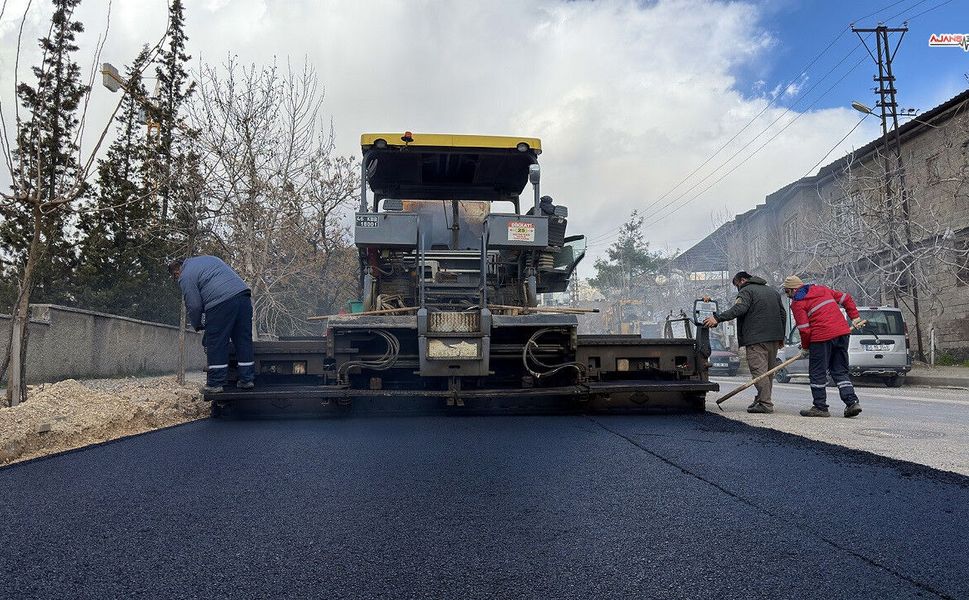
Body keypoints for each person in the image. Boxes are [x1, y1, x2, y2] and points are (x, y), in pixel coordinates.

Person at [168, 256, 255, 394]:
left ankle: (215, 383)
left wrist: (197, 324)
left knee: (216, 341)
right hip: (243, 297)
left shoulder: (185, 275)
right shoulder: (209, 260)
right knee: (243, 340)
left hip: (221, 303)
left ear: (176, 272)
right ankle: (247, 379)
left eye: (175, 277)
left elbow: (195, 305)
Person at [704, 271, 786, 413]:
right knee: (768, 373)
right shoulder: (772, 292)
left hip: (756, 339)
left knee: (759, 372)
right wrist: (781, 337)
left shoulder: (746, 291)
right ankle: (761, 399)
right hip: (773, 338)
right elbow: (782, 314)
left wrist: (717, 318)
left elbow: (739, 308)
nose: (738, 289)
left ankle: (765, 404)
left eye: (737, 285)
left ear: (742, 280)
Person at [782, 275, 863, 418]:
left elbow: (805, 329)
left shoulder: (798, 303)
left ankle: (820, 407)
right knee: (840, 370)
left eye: (787, 292)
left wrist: (806, 347)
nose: (787, 295)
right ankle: (852, 402)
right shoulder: (823, 289)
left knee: (817, 372)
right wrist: (855, 317)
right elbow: (846, 298)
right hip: (842, 333)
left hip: (821, 338)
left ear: (793, 290)